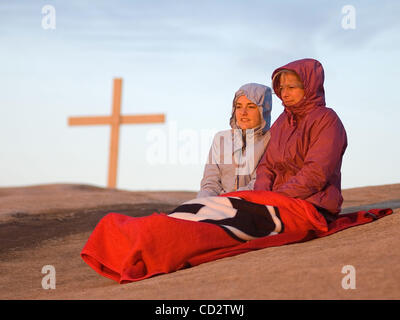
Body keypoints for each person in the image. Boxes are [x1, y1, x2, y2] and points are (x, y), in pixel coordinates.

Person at [254, 58, 348, 222]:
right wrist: (261, 198)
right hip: (275, 203)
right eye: (281, 88)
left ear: (309, 87)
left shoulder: (326, 120)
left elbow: (316, 173)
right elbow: (266, 166)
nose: (284, 93)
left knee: (243, 227)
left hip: (313, 204)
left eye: (291, 87)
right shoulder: (281, 122)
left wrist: (277, 198)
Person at [197, 83, 272, 198]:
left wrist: (227, 202)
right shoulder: (221, 138)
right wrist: (203, 204)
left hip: (250, 205)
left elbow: (258, 183)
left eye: (251, 107)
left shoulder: (271, 140)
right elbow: (210, 183)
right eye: (238, 106)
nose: (243, 112)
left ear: (264, 110)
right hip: (217, 205)